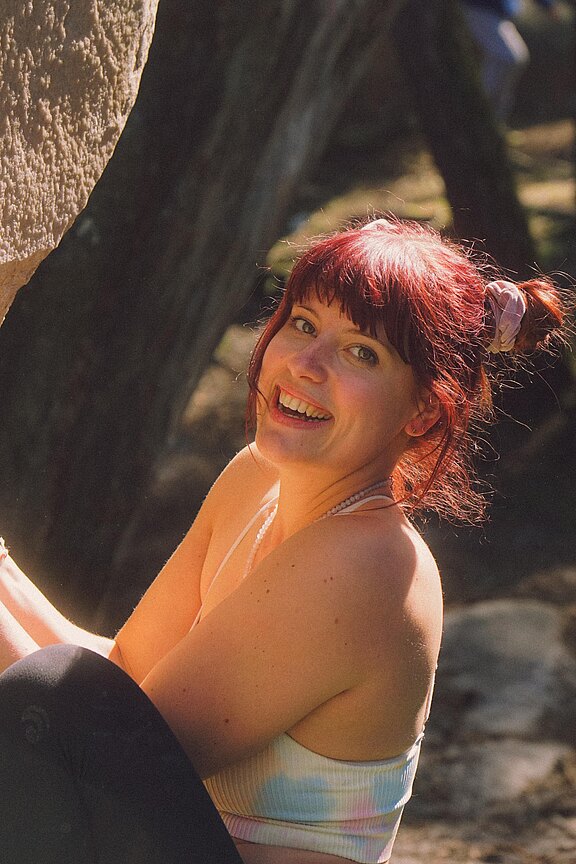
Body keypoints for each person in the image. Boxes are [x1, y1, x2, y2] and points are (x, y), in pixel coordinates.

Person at [0, 217, 568, 864]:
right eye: (303, 323)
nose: (305, 364)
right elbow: (124, 676)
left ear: (424, 411)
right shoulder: (256, 476)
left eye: (361, 352)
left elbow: (89, 755)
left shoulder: (369, 565)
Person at [461, 0, 560, 122]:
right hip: (481, 10)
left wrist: (548, 6)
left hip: (499, 15)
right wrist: (547, 5)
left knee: (518, 57)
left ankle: (496, 120)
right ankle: (478, 109)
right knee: (508, 58)